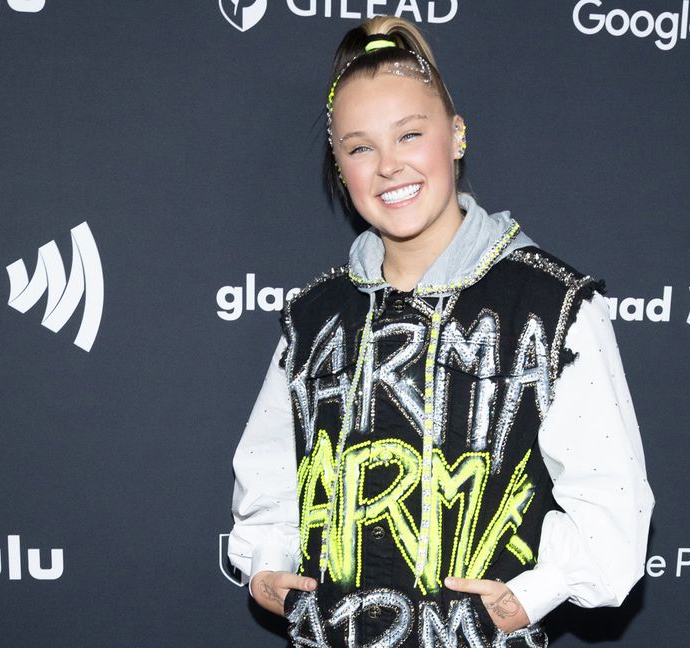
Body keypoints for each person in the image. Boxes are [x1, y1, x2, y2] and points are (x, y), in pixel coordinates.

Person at [228, 16, 654, 648]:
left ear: (455, 136)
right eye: (360, 147)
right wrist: (267, 560)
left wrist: (522, 602)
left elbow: (611, 497)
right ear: (339, 166)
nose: (388, 166)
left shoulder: (551, 304)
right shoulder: (313, 315)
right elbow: (268, 471)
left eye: (410, 135)